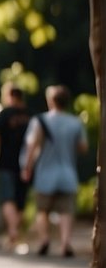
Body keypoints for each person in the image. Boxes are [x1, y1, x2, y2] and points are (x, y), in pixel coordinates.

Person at [21, 84, 88, 257]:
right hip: (67, 172)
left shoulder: (40, 121)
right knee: (66, 210)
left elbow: (32, 145)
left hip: (45, 172)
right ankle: (65, 242)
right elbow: (83, 147)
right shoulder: (75, 122)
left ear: (50, 101)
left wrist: (27, 167)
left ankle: (44, 240)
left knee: (42, 210)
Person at [0, 84, 31, 251]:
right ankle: (15, 233)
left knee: (7, 198)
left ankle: (12, 231)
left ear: (9, 96)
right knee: (20, 201)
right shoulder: (31, 115)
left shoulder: (3, 114)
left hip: (5, 162)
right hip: (25, 164)